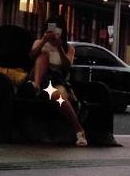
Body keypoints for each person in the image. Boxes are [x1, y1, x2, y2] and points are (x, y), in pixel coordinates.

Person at [29, 15, 87, 147]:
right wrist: (44, 41)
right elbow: (31, 56)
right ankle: (36, 86)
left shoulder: (68, 48)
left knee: (58, 96)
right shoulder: (39, 42)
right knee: (43, 55)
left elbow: (67, 67)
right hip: (40, 78)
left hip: (56, 81)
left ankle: (78, 129)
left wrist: (59, 47)